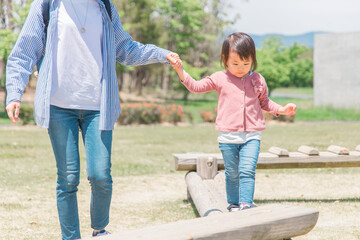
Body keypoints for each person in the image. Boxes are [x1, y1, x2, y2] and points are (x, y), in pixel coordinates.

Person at [5, 0, 179, 239]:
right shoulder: (47, 5)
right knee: (67, 178)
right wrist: (14, 93)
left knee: (100, 175)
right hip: (58, 105)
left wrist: (161, 54)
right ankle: (71, 237)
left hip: (98, 106)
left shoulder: (104, 7)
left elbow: (125, 48)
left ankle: (99, 229)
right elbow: (25, 50)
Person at [171, 32, 296, 212]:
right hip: (227, 137)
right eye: (235, 63)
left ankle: (246, 204)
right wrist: (179, 70)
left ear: (252, 59)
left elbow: (265, 102)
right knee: (232, 173)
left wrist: (282, 109)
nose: (241, 68)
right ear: (225, 59)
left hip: (252, 135)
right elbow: (196, 87)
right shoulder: (220, 78)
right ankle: (234, 204)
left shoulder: (258, 79)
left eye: (246, 63)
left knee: (247, 171)